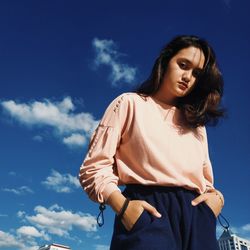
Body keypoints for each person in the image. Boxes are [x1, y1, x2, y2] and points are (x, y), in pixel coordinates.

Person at [79, 35, 225, 250]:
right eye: (183, 65)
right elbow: (93, 167)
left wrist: (216, 201)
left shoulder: (196, 125)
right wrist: (122, 205)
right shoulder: (129, 103)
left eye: (196, 73)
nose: (188, 77)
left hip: (197, 217)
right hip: (148, 211)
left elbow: (205, 181)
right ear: (166, 61)